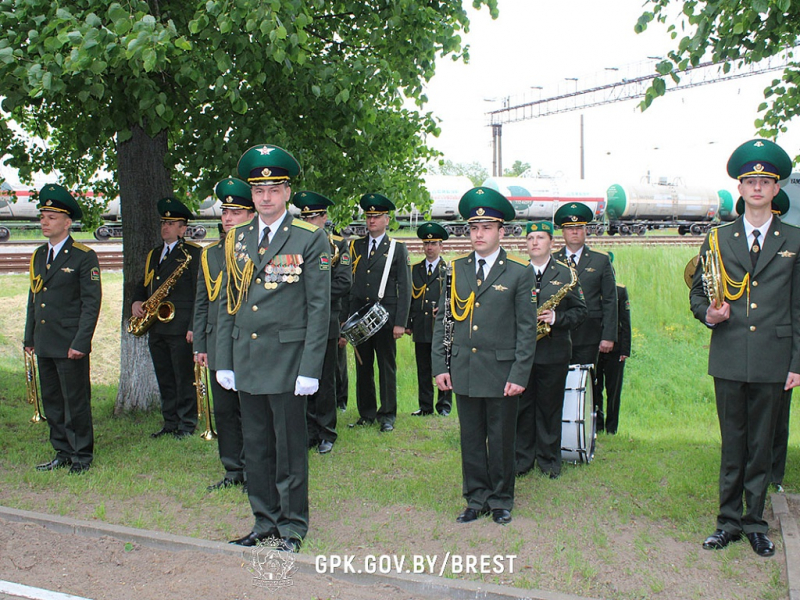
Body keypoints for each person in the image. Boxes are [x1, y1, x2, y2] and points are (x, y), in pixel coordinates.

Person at [216, 144, 330, 552]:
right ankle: (263, 521)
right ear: (251, 194)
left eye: (274, 189)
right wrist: (224, 359)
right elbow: (229, 302)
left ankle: (292, 526)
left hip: (287, 361)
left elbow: (319, 309)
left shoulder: (310, 238)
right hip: (246, 359)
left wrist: (310, 368)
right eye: (258, 189)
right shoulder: (238, 239)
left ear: (286, 192)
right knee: (257, 446)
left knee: (289, 449)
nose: (265, 197)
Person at [690, 138, 800, 558]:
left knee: (762, 445)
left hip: (775, 358)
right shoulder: (718, 238)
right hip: (731, 354)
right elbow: (699, 294)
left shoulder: (795, 239)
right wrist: (708, 314)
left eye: (765, 182)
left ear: (776, 190)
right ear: (740, 188)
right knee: (733, 442)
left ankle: (756, 523)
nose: (757, 188)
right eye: (749, 181)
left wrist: (797, 362)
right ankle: (727, 522)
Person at [432, 187, 537, 525]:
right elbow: (443, 321)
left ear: (501, 231)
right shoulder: (456, 269)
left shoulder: (519, 273)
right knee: (471, 438)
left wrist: (520, 374)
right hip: (464, 368)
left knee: (502, 438)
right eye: (474, 228)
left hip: (502, 372)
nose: (479, 234)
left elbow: (526, 331)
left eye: (487, 228)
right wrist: (440, 365)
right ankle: (476, 498)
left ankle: (502, 499)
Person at [24, 184, 102, 475]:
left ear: (67, 222)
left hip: (70, 342)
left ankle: (82, 455)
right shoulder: (37, 255)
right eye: (42, 215)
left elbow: (91, 304)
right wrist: (29, 336)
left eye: (51, 217)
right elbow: (35, 298)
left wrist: (82, 342)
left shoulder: (83, 256)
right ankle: (62, 452)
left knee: (76, 401)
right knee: (53, 401)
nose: (44, 221)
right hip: (45, 341)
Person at [193, 177, 254, 491]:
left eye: (236, 212)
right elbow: (202, 303)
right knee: (226, 412)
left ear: (251, 215)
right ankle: (233, 470)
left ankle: (256, 473)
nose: (228, 218)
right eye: (225, 212)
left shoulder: (260, 250)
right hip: (219, 345)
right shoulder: (210, 255)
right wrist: (200, 345)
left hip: (250, 345)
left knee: (252, 413)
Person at [516, 220, 586, 479]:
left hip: (553, 352)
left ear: (551, 243)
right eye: (530, 237)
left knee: (550, 408)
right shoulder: (516, 273)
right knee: (522, 408)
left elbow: (581, 311)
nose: (535, 242)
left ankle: (548, 460)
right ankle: (522, 459)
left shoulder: (566, 274)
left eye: (540, 238)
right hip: (522, 353)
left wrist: (557, 319)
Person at [132, 197, 202, 439]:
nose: (166, 227)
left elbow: (200, 293)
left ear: (183, 228)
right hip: (156, 326)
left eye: (172, 224)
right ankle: (170, 422)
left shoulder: (193, 253)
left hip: (181, 327)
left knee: (184, 378)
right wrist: (136, 301)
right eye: (163, 222)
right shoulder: (154, 254)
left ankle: (187, 423)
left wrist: (194, 326)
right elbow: (144, 284)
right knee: (165, 377)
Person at [292, 190, 352, 454]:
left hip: (326, 320)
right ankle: (308, 430)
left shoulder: (338, 244)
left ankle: (327, 432)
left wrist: (314, 293)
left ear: (324, 218)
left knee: (325, 380)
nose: (309, 222)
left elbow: (343, 282)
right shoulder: (294, 243)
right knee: (301, 376)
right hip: (297, 321)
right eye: (305, 217)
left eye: (314, 217)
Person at [347, 193, 411, 433]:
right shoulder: (355, 246)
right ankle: (367, 413)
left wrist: (400, 323)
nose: (372, 220)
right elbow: (349, 285)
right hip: (359, 318)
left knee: (386, 367)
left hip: (385, 318)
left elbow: (405, 288)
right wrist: (346, 318)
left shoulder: (397, 248)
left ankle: (387, 415)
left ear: (387, 219)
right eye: (369, 216)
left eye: (377, 216)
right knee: (363, 367)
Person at [553, 202, 617, 431]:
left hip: (590, 335)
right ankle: (561, 426)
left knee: (589, 381)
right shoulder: (552, 259)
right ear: (563, 231)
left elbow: (610, 300)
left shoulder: (600, 261)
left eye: (579, 228)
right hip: (558, 332)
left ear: (586, 230)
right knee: (558, 380)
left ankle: (591, 426)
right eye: (570, 228)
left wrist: (608, 336)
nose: (574, 232)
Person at [406, 222, 453, 416]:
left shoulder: (448, 270)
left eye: (433, 243)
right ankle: (425, 406)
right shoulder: (415, 269)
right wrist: (408, 322)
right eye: (426, 244)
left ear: (441, 246)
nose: (429, 248)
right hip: (421, 325)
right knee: (423, 368)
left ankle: (443, 406)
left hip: (440, 327)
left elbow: (454, 298)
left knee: (443, 365)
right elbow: (409, 297)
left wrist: (445, 310)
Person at [594, 253, 631, 436]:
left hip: (615, 350)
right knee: (595, 388)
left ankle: (612, 427)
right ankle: (597, 424)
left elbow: (625, 321)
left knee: (613, 390)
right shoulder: (590, 290)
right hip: (594, 347)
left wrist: (625, 349)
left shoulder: (620, 290)